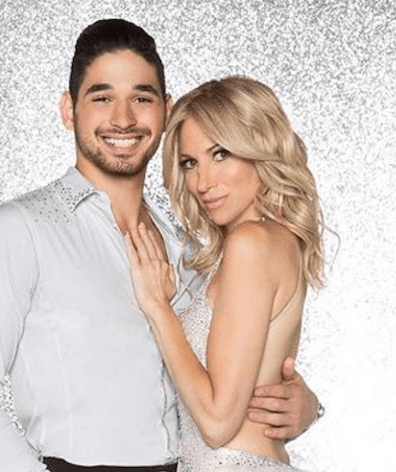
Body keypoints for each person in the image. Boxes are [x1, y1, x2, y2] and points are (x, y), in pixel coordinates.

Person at [0, 20, 321, 472]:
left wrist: (306, 403)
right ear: (68, 110)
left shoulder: (189, 249)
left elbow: (222, 375)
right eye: (102, 98)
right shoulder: (20, 231)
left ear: (165, 112)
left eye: (141, 98)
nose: (123, 119)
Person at [125, 76, 326, 472]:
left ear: (258, 148)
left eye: (220, 154)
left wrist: (158, 309)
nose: (202, 183)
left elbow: (218, 423)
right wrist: (312, 407)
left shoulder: (251, 244)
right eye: (190, 163)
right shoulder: (270, 242)